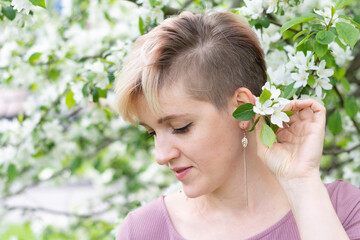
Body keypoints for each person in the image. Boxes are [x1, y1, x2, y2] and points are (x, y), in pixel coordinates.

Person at [114, 11, 360, 240]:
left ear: (241, 107)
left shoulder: (344, 211)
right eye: (151, 133)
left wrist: (301, 182)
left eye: (180, 127)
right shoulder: (142, 231)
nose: (161, 155)